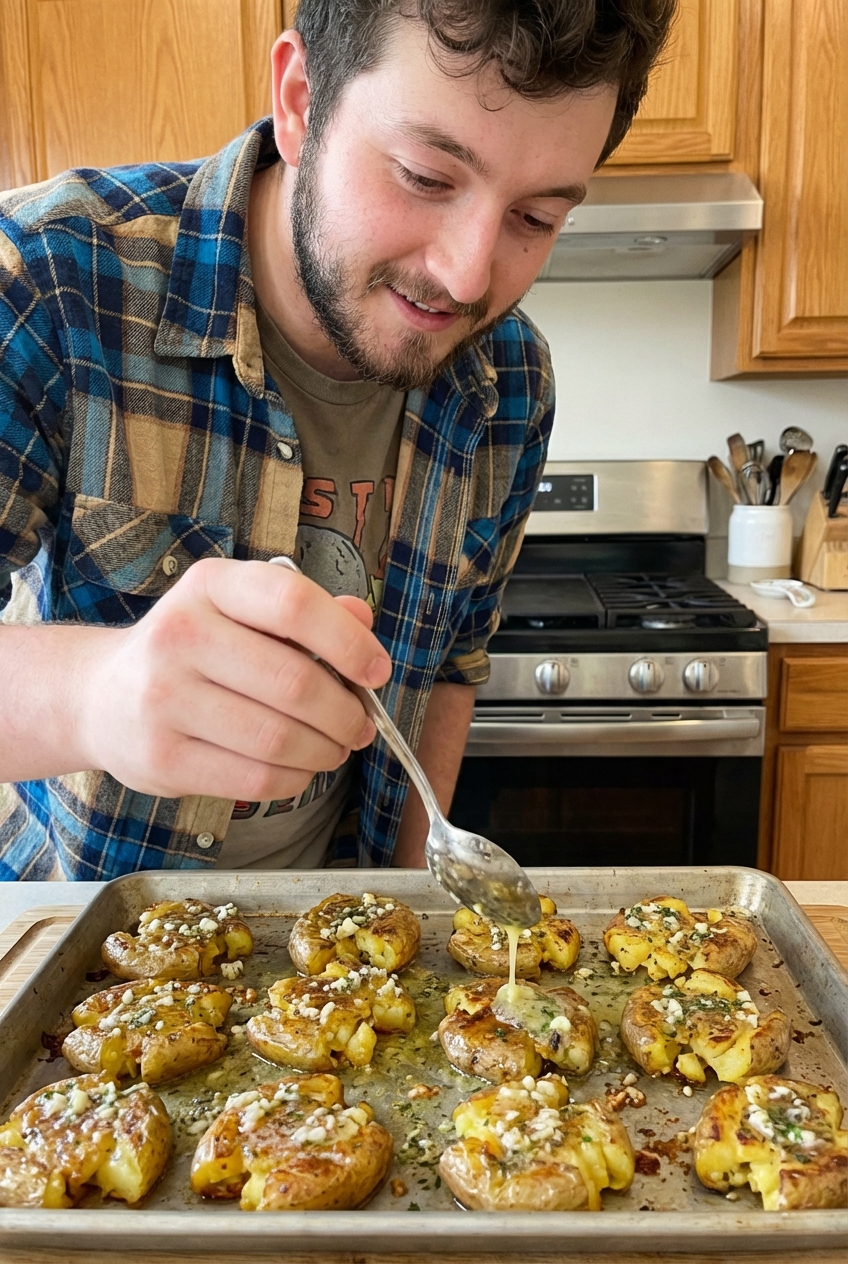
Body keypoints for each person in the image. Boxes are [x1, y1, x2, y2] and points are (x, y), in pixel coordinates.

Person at [0, 0, 675, 880]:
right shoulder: (52, 280)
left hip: (339, 956)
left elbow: (449, 675)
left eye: (536, 219)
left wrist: (418, 901)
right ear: (299, 100)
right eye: (426, 177)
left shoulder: (510, 384)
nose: (466, 276)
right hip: (77, 954)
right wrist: (95, 696)